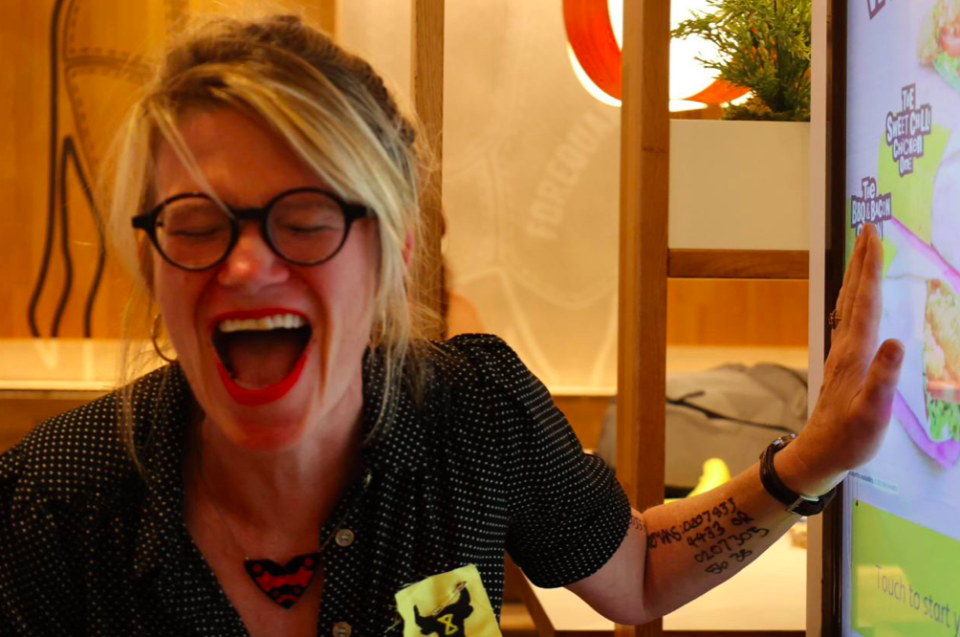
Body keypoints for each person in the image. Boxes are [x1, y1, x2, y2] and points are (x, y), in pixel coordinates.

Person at [0, 14, 903, 637]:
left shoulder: (476, 413)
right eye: (195, 224)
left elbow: (634, 573)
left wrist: (818, 453)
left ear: (391, 251)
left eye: (307, 218)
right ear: (153, 263)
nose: (244, 265)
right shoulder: (50, 508)